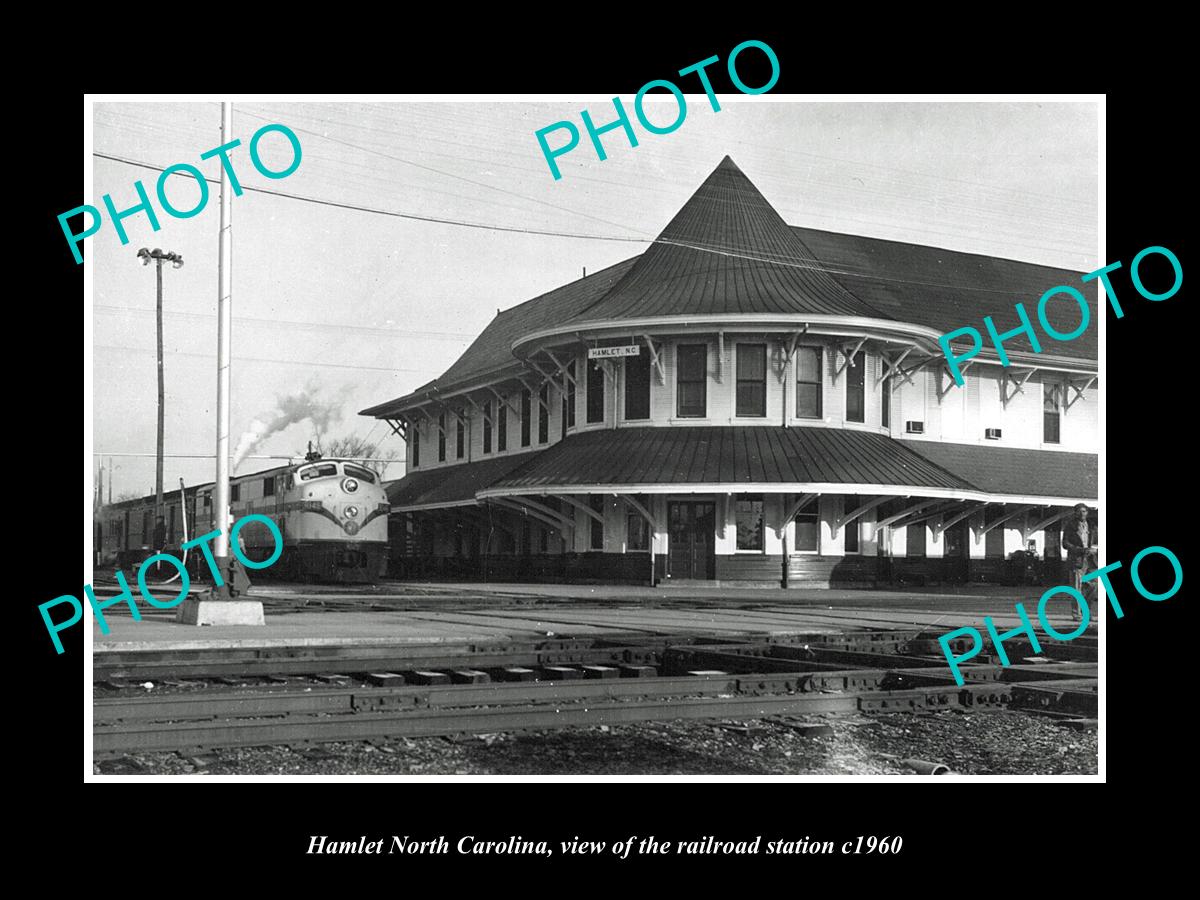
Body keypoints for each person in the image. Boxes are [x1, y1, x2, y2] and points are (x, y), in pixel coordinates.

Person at [1061, 503, 1096, 623]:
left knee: (1093, 586)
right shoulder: (1070, 526)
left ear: (1087, 513)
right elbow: (1065, 543)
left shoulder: (1092, 526)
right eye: (1080, 511)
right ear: (1075, 513)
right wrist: (1080, 550)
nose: (1082, 514)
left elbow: (1096, 540)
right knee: (1077, 588)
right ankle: (1077, 614)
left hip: (1091, 561)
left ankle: (1087, 612)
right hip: (1077, 560)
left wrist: (1094, 549)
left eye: (1084, 511)